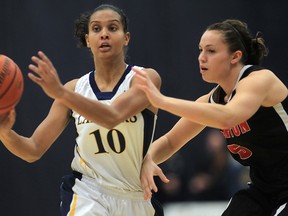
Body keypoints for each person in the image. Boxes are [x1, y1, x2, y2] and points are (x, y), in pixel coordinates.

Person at [0, 4, 164, 216]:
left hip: (136, 196)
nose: (104, 34)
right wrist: (4, 132)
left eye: (112, 28)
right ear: (88, 40)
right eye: (96, 29)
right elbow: (32, 149)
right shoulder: (74, 89)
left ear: (126, 38)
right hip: (89, 193)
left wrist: (60, 93)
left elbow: (112, 117)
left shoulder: (145, 78)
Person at [133, 19, 288, 216]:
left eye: (211, 51)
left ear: (235, 56)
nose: (201, 58)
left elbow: (228, 117)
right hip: (264, 188)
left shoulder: (260, 80)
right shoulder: (211, 100)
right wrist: (146, 159)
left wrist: (161, 101)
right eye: (200, 50)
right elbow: (170, 142)